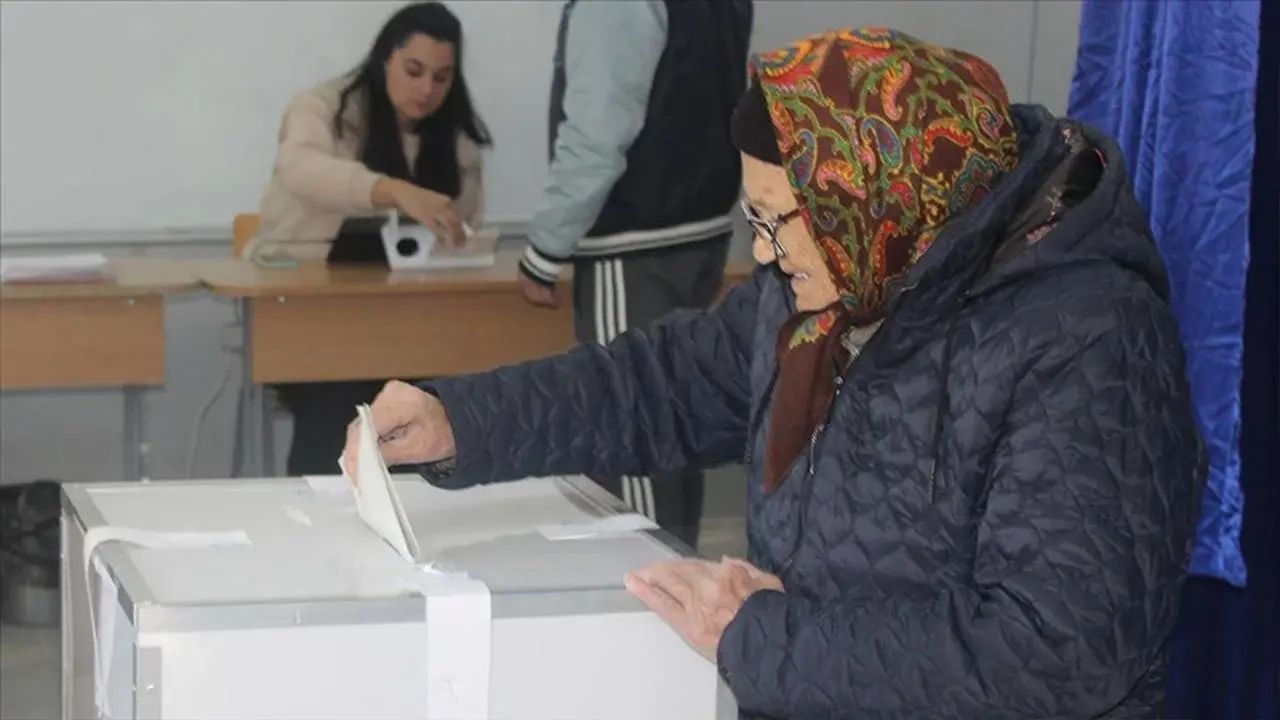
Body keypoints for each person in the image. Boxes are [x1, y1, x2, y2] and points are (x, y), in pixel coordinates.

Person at [345, 29, 1205, 718]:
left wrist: (760, 638)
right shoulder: (840, 279)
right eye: (754, 217)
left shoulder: (1088, 340)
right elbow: (659, 386)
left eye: (781, 220)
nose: (760, 249)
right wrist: (462, 417)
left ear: (870, 193)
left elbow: (1061, 653)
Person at [513, 0, 753, 547]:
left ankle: (647, 593)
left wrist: (546, 248)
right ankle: (674, 582)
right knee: (677, 421)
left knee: (632, 428)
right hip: (703, 232)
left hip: (636, 240)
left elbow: (599, 131)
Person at [247, 1, 491, 476]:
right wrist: (395, 191)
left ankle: (415, 524)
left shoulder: (453, 137)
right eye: (414, 70)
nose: (426, 89)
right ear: (385, 60)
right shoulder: (323, 108)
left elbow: (462, 230)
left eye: (441, 78)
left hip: (413, 323)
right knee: (338, 397)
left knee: (438, 400)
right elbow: (302, 170)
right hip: (312, 318)